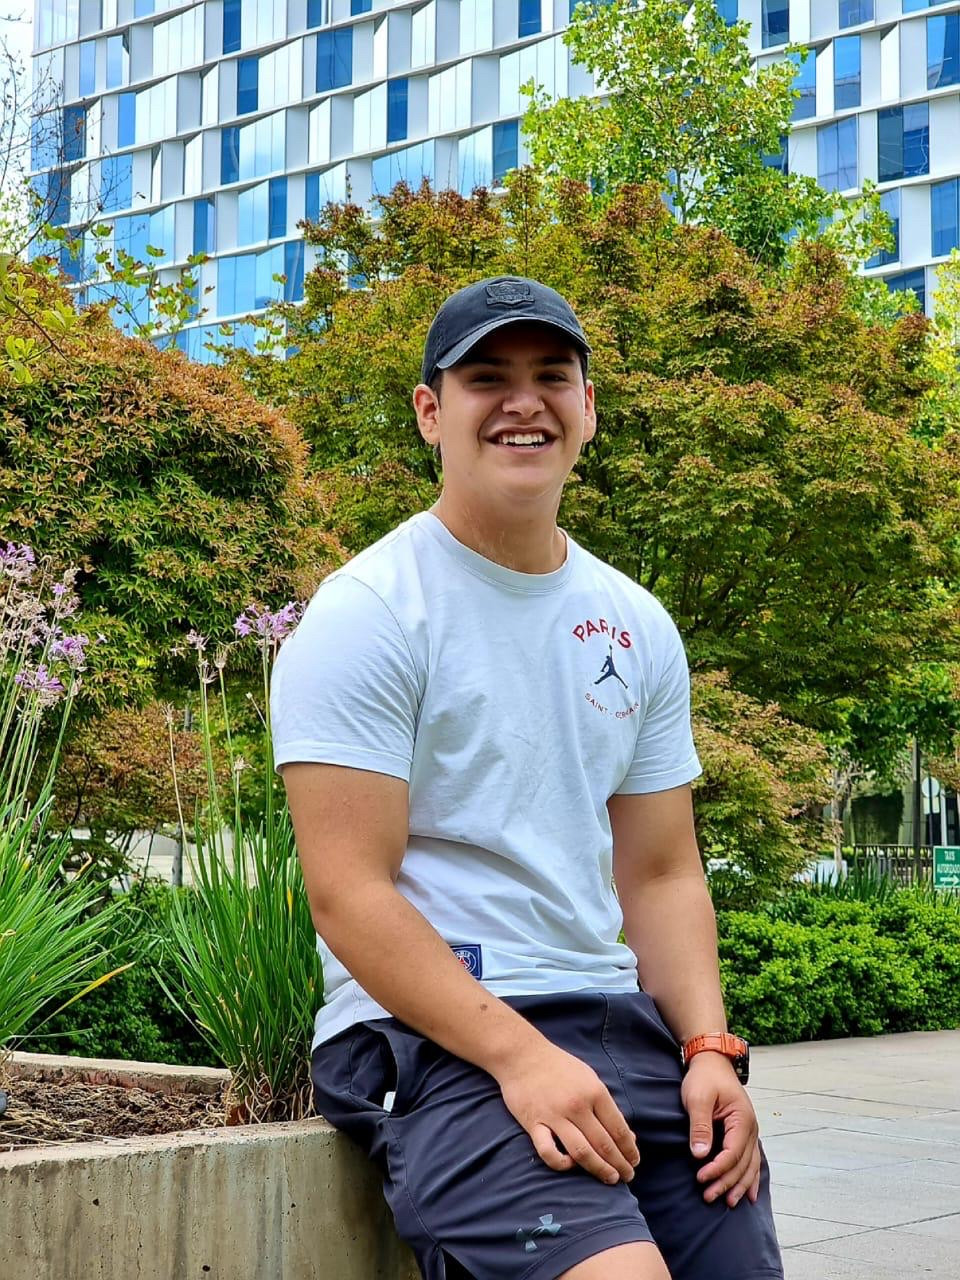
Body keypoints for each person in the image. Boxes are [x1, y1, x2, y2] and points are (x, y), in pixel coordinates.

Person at [270, 276, 784, 1280]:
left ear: (587, 408)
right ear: (431, 412)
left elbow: (662, 873)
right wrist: (520, 1056)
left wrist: (708, 1049)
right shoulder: (371, 612)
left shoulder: (635, 622)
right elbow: (348, 893)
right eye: (486, 379)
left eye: (552, 376)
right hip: (436, 1042)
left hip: (618, 1025)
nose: (524, 402)